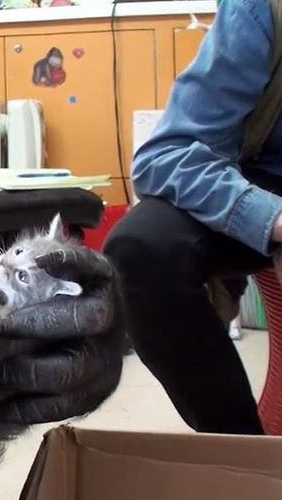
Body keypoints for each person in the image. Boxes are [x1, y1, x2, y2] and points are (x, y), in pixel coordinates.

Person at [104, 0, 280, 435]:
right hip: (263, 184)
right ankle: (240, 458)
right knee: (143, 250)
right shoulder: (262, 10)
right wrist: (271, 218)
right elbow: (166, 156)